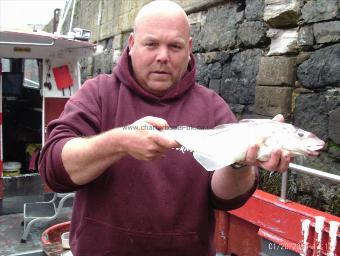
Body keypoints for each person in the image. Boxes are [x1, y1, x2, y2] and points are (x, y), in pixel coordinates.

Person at [38, 1, 291, 255]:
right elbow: (53, 168)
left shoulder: (213, 107)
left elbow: (226, 198)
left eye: (175, 46)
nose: (162, 56)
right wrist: (119, 142)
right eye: (151, 44)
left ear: (189, 48)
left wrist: (240, 163)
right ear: (132, 44)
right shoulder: (98, 93)